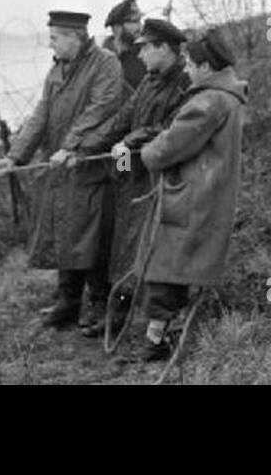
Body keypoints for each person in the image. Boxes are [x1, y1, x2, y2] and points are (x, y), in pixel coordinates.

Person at [0, 10, 128, 330]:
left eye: (54, 38)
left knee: (92, 238)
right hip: (63, 169)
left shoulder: (106, 64)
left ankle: (100, 305)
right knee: (66, 234)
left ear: (73, 36)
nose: (50, 43)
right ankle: (68, 302)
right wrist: (14, 157)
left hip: (92, 165)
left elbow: (102, 108)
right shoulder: (57, 69)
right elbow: (41, 115)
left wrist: (71, 146)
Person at [137, 26, 247, 362]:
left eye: (191, 64)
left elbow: (167, 149)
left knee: (166, 267)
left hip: (190, 197)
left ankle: (155, 340)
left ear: (206, 68)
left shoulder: (208, 101)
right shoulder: (229, 97)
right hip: (206, 194)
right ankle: (165, 333)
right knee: (181, 265)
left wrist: (145, 152)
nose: (186, 69)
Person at [81, 17, 190, 339]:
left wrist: (129, 141)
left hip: (160, 176)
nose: (139, 55)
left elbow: (172, 127)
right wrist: (83, 149)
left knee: (148, 245)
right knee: (124, 240)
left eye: (145, 49)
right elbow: (123, 118)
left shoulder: (184, 83)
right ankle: (120, 313)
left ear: (164, 49)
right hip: (130, 171)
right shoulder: (149, 79)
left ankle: (155, 320)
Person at [102, 0, 147, 91]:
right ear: (118, 28)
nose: (140, 27)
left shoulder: (144, 56)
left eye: (140, 21)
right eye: (134, 22)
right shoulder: (101, 60)